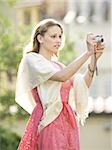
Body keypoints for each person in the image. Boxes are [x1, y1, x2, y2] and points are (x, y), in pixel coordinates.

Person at [15, 18, 105, 150]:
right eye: (53, 36)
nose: (58, 40)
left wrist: (94, 59)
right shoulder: (32, 59)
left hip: (67, 119)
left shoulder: (58, 65)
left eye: (60, 36)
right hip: (49, 118)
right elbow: (62, 76)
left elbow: (83, 84)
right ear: (40, 38)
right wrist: (88, 53)